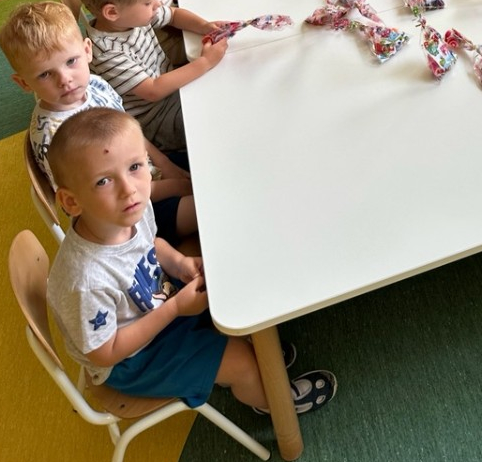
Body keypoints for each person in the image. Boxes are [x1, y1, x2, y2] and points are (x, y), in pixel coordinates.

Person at [46, 108, 336, 413]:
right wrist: (175, 309)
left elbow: (150, 243)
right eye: (103, 181)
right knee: (244, 364)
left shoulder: (127, 210)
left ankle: (253, 358)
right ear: (71, 201)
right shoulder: (86, 282)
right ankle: (278, 405)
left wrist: (178, 263)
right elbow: (104, 353)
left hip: (154, 304)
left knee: (227, 273)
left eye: (135, 166)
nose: (129, 189)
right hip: (132, 360)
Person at [0, 1, 196, 242]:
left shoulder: (95, 84)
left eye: (71, 61)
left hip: (146, 172)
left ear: (87, 51)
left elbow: (129, 133)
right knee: (210, 207)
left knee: (212, 162)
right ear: (24, 83)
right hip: (129, 215)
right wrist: (174, 186)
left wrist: (164, 163)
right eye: (45, 74)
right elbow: (100, 202)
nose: (65, 80)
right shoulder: (56, 136)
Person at [68, 0, 226, 154]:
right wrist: (205, 62)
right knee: (218, 117)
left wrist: (205, 26)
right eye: (148, 2)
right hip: (157, 119)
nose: (158, 4)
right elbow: (153, 90)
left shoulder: (132, 16)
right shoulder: (106, 51)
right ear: (112, 12)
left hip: (172, 90)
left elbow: (173, 15)